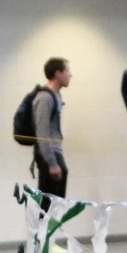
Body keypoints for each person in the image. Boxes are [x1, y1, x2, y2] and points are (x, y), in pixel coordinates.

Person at [33, 57, 71, 200]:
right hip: (48, 154)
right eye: (67, 71)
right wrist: (52, 163)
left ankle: (54, 222)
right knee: (48, 207)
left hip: (55, 152)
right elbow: (42, 132)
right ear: (57, 73)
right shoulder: (45, 98)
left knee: (57, 206)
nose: (70, 75)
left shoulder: (56, 95)